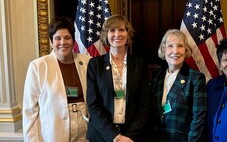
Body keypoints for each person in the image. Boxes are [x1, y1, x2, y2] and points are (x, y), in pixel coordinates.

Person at [22, 17, 91, 142]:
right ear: (51, 42)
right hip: (55, 130)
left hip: (85, 127)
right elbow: (30, 110)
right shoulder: (38, 67)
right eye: (58, 38)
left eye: (67, 37)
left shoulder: (87, 61)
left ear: (73, 40)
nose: (63, 42)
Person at [86, 14, 151, 142]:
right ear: (106, 34)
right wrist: (114, 136)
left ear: (128, 34)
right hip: (102, 135)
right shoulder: (95, 64)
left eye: (121, 29)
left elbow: (144, 105)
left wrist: (129, 136)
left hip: (131, 136)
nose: (117, 34)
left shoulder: (139, 64)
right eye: (112, 30)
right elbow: (93, 105)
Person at [149, 29, 207, 141]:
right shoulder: (157, 76)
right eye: (170, 46)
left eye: (180, 46)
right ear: (163, 50)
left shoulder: (195, 78)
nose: (175, 51)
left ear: (186, 51)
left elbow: (198, 119)